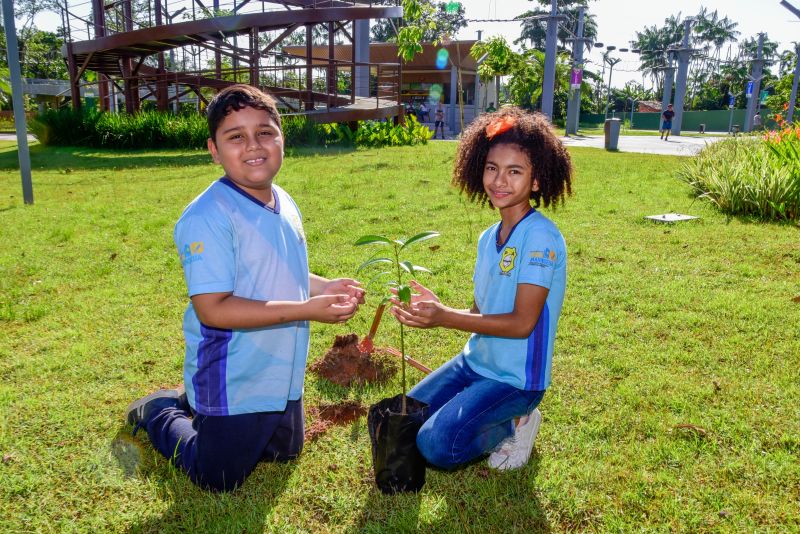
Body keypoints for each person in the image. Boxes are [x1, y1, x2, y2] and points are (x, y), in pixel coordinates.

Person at [125, 84, 365, 492]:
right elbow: (214, 310)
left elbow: (279, 273)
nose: (253, 145)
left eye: (265, 132)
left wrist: (327, 286)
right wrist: (309, 309)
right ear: (214, 150)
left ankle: (191, 399)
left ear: (282, 138)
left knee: (285, 452)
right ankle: (161, 411)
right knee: (217, 476)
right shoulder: (207, 217)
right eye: (235, 136)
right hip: (233, 374)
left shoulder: (283, 201)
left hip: (278, 369)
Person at [390, 107, 572, 471]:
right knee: (405, 420)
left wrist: (444, 318)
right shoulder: (488, 238)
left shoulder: (540, 236)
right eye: (492, 168)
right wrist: (441, 307)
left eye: (514, 171)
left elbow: (521, 323)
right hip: (474, 362)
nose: (499, 180)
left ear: (536, 181)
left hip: (516, 380)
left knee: (436, 444)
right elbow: (478, 316)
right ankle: (478, 410)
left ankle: (517, 422)